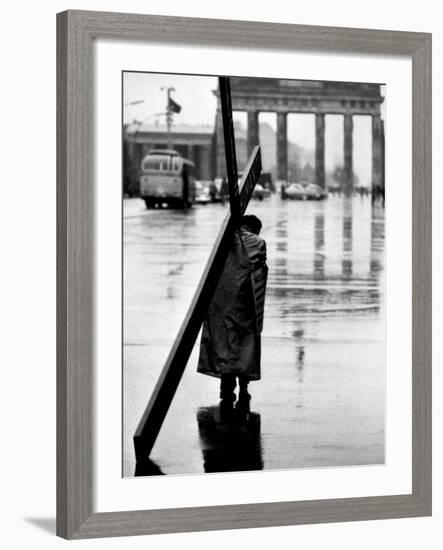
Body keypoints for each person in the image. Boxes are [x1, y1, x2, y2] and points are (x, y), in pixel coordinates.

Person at [197, 214, 268, 413]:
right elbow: (260, 270)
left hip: (221, 302)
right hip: (245, 304)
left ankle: (226, 388)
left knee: (225, 343)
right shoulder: (258, 243)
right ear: (255, 228)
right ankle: (244, 387)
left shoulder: (224, 240)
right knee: (246, 344)